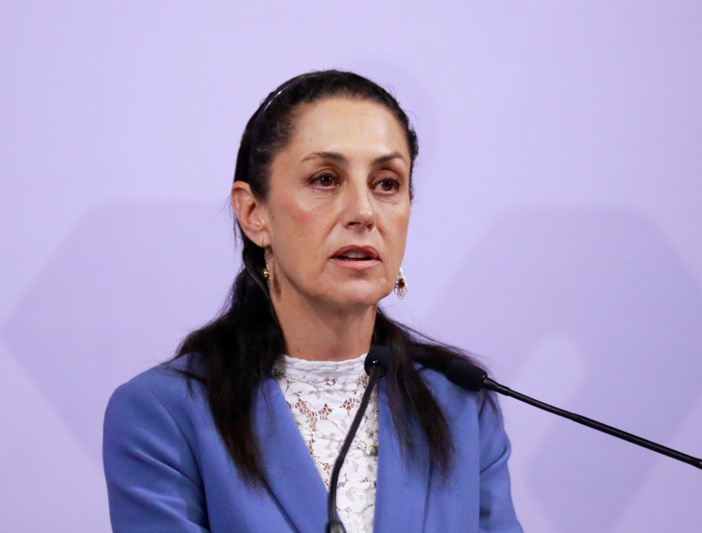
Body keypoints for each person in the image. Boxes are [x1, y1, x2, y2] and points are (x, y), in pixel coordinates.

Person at [102, 70, 522, 532]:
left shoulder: (460, 406)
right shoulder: (163, 414)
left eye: (386, 183)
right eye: (325, 179)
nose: (363, 212)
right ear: (253, 213)